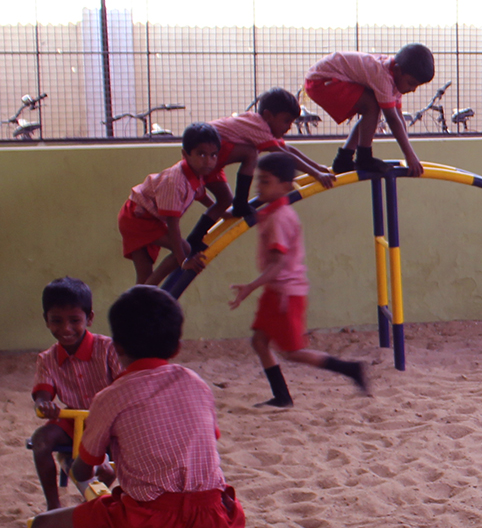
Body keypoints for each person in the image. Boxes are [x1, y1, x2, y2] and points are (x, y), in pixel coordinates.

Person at [15, 285, 245, 528]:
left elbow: (82, 471)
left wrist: (93, 470)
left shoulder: (111, 396)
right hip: (208, 514)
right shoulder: (197, 383)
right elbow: (203, 440)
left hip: (145, 519)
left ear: (117, 347)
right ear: (178, 346)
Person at [230, 152, 370, 407]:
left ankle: (350, 369)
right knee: (259, 341)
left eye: (266, 181)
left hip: (285, 294)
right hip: (277, 291)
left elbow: (277, 264)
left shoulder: (279, 219)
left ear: (285, 186)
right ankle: (282, 396)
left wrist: (249, 287)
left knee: (293, 352)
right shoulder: (271, 213)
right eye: (258, 180)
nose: (259, 186)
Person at [188, 87, 337, 251]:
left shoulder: (262, 128)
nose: (288, 127)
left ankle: (195, 237)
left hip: (213, 161)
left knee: (224, 201)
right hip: (208, 155)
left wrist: (318, 167)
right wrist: (316, 174)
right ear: (268, 116)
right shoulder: (259, 126)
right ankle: (241, 203)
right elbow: (284, 155)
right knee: (251, 153)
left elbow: (289, 150)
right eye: (286, 120)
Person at [26, 277, 122, 511]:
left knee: (125, 451)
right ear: (46, 321)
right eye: (56, 321)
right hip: (74, 421)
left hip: (110, 421)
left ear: (89, 318)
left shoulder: (108, 348)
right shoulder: (47, 359)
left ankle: (97, 494)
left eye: (75, 320)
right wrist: (44, 404)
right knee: (41, 439)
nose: (66, 329)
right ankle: (53, 506)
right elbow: (42, 395)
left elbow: (125, 385)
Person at [304, 43, 433, 178]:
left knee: (371, 108)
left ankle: (344, 158)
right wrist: (409, 155)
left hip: (329, 79)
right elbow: (392, 119)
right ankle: (363, 157)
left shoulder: (394, 79)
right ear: (397, 70)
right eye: (411, 83)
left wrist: (409, 153)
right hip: (320, 82)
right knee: (372, 105)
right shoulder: (382, 76)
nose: (413, 89)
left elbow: (399, 118)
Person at [119, 123, 219, 286]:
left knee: (144, 274)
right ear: (185, 155)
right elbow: (173, 225)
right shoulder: (175, 182)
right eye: (201, 154)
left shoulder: (197, 174)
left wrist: (224, 211)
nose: (208, 161)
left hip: (140, 216)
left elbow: (201, 195)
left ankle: (142, 298)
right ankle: (149, 292)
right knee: (185, 248)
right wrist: (183, 261)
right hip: (137, 218)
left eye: (213, 155)